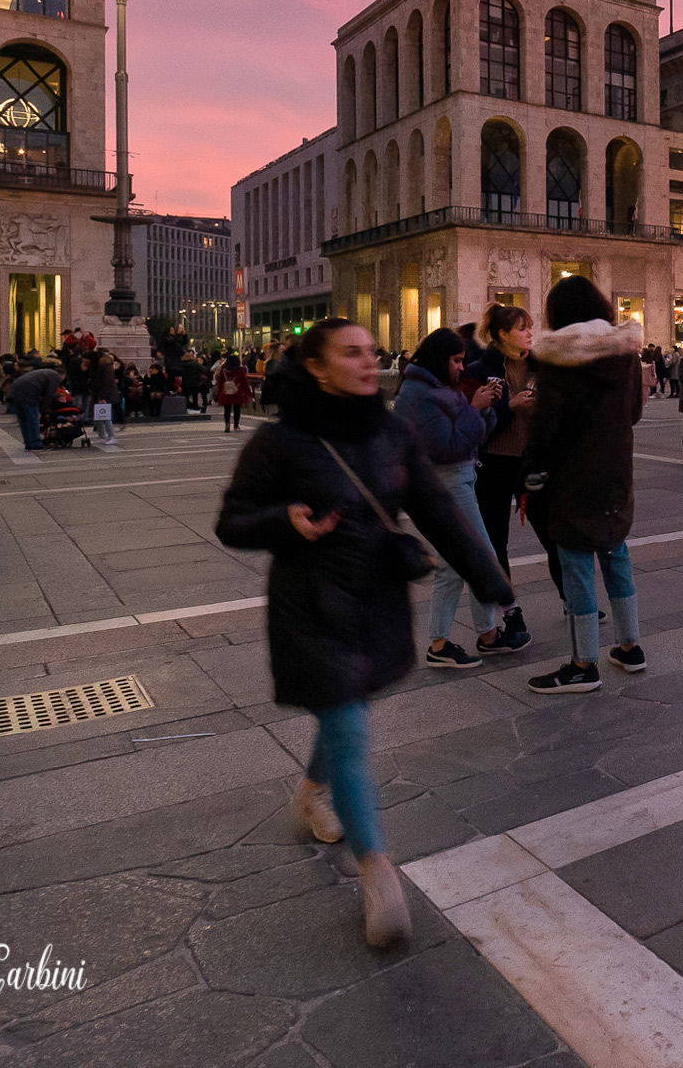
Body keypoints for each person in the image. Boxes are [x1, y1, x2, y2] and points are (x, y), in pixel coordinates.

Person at [216, 317, 511, 947]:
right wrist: (283, 520)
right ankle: (378, 874)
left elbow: (436, 507)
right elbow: (233, 523)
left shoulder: (391, 432)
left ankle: (311, 792)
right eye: (350, 353)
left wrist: (490, 580)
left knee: (341, 716)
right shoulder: (280, 442)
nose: (365, 362)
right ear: (317, 366)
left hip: (374, 601)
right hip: (310, 608)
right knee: (348, 724)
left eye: (370, 352)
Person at [521, 276, 647, 694]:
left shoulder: (559, 357)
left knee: (575, 563)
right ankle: (629, 646)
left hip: (572, 475)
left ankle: (583, 663)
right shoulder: (625, 354)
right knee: (615, 551)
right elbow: (632, 412)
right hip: (616, 471)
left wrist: (533, 470)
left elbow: (546, 426)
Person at [394, 328, 519, 668]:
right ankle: (484, 635)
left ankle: (448, 641)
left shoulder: (437, 388)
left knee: (454, 564)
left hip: (458, 477)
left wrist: (486, 407)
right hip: (446, 480)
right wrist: (474, 408)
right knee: (480, 555)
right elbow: (447, 446)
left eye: (462, 360)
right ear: (439, 359)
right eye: (456, 360)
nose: (461, 367)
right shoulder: (420, 394)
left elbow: (472, 436)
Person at [471, 304, 546, 612]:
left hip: (532, 460)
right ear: (502, 335)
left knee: (550, 530)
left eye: (529, 327)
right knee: (495, 537)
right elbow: (474, 424)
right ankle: (509, 608)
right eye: (522, 328)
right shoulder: (479, 370)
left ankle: (575, 601)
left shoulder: (541, 367)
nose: (529, 333)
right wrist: (510, 407)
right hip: (495, 463)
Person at [6, 357, 62, 450]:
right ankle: (36, 443)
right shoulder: (55, 377)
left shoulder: (43, 373)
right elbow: (49, 395)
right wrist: (41, 410)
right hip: (29, 393)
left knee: (23, 419)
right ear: (62, 375)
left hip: (16, 390)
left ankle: (28, 442)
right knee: (33, 419)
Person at [214, 353, 254, 432]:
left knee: (227, 409)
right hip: (237, 392)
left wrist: (219, 393)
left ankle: (227, 425)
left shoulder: (224, 370)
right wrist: (249, 392)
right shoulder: (240, 370)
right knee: (237, 409)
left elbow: (220, 382)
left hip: (226, 392)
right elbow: (244, 382)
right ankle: (236, 426)